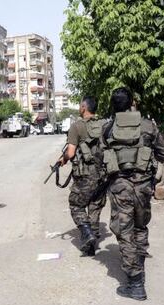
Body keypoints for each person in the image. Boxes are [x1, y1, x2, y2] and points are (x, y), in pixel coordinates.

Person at [102, 87, 164, 300]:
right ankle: (139, 261)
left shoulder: (108, 129)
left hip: (120, 186)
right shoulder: (148, 126)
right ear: (132, 102)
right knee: (140, 226)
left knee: (125, 231)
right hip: (143, 187)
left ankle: (135, 283)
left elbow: (100, 158)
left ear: (114, 105)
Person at [60, 96, 107, 256]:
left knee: (76, 205)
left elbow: (71, 152)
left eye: (80, 106)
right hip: (103, 174)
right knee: (95, 206)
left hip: (84, 175)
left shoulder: (77, 127)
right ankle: (92, 243)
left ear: (83, 107)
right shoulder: (105, 124)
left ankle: (87, 234)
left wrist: (64, 159)